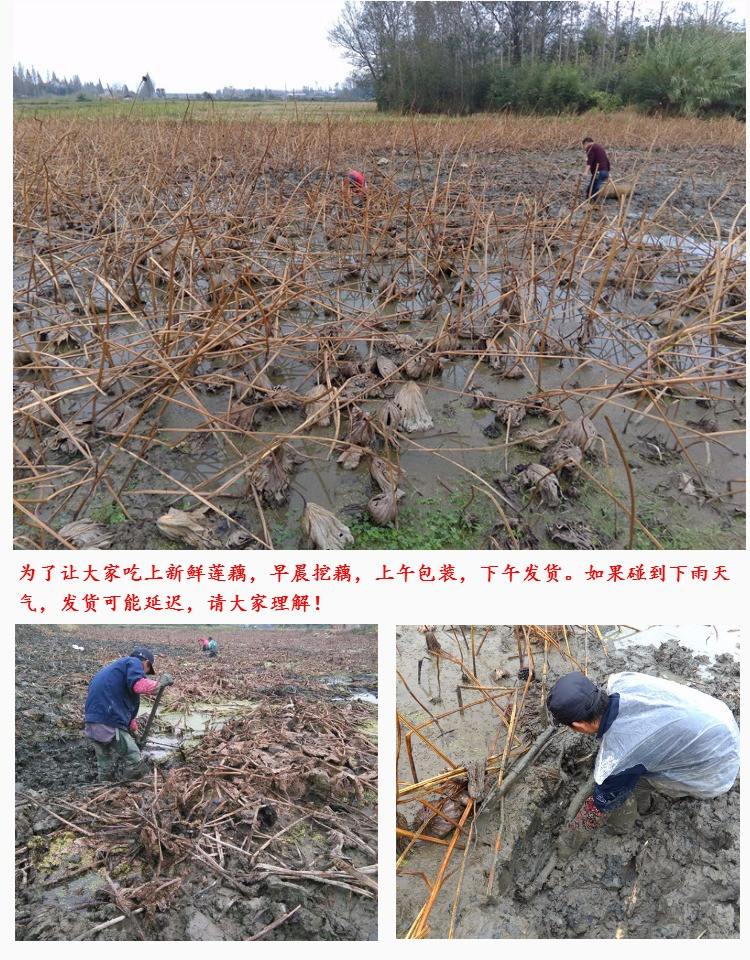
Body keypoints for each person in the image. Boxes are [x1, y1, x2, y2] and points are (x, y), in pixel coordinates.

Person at [547, 670, 739, 857]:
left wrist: (567, 843)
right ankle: (646, 802)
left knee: (626, 790)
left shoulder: (620, 758)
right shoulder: (625, 681)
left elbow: (599, 807)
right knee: (636, 770)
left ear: (579, 725)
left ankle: (626, 823)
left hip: (715, 771)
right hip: (721, 720)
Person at [83, 647, 174, 782]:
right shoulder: (134, 662)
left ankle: (105, 787)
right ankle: (128, 785)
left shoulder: (115, 673)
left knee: (105, 762)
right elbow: (139, 685)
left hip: (93, 721)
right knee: (134, 758)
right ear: (146, 663)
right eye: (147, 671)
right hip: (109, 720)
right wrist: (158, 684)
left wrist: (135, 732)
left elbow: (128, 711)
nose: (145, 675)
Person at [582, 137, 610, 203]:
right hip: (604, 171)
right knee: (591, 187)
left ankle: (596, 203)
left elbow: (590, 161)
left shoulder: (591, 148)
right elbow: (606, 160)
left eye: (584, 146)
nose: (585, 148)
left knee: (595, 188)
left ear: (586, 143)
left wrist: (585, 172)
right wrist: (608, 171)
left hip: (599, 172)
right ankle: (588, 201)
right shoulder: (600, 147)